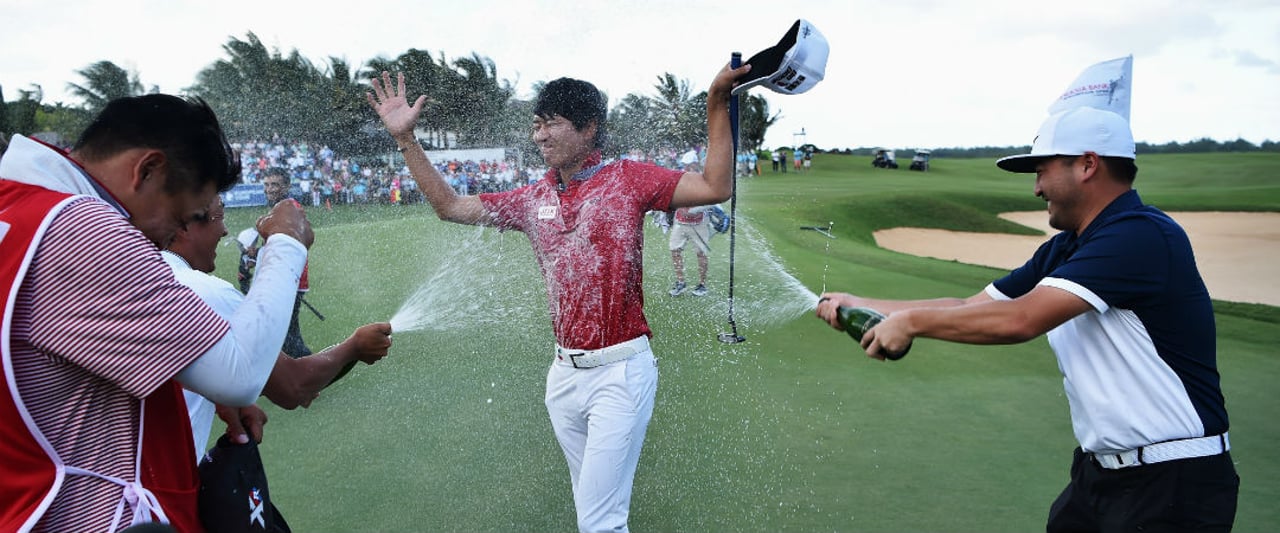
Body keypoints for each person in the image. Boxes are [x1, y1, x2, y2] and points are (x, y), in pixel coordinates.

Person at [815, 106, 1238, 531]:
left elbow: (1021, 320)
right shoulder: (1067, 248)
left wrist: (911, 324)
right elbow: (971, 307)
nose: (1036, 188)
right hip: (1101, 477)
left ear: (1088, 165)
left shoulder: (1140, 235)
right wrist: (863, 302)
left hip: (1174, 485)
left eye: (1042, 170)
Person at [367, 62, 744, 532]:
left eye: (551, 124)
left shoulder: (628, 179)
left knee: (599, 522)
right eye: (536, 125)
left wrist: (715, 103)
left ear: (589, 129)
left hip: (620, 373)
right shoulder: (532, 198)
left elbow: (715, 187)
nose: (539, 136)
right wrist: (406, 139)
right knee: (594, 515)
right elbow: (450, 207)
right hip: (563, 379)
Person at [0, 94, 312, 531]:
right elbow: (239, 375)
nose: (175, 234)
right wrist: (287, 243)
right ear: (146, 171)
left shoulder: (16, 207)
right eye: (185, 214)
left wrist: (182, 372)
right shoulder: (78, 229)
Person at [163, 195, 393, 461]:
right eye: (219, 217)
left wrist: (223, 397)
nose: (225, 230)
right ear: (184, 226)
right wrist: (355, 347)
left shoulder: (141, 276)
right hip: (162, 489)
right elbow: (294, 386)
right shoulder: (204, 292)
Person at [240, 167, 314, 358]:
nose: (270, 189)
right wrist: (257, 254)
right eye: (267, 184)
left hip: (289, 280)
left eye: (275, 184)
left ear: (287, 186)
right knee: (286, 334)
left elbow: (292, 245)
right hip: (284, 278)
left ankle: (315, 370)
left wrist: (258, 252)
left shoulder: (290, 208)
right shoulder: (281, 208)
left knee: (286, 337)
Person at [668, 205, 713, 297]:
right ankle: (681, 283)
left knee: (701, 253)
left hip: (700, 223)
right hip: (680, 222)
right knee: (675, 250)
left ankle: (702, 285)